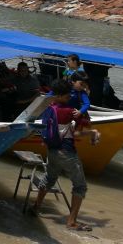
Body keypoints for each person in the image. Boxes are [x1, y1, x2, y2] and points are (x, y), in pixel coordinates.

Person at [28, 79, 97, 231]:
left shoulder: (48, 108)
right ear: (59, 96)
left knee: (50, 178)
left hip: (52, 150)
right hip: (67, 152)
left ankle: (35, 207)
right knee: (80, 186)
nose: (69, 98)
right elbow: (81, 129)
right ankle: (71, 222)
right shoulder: (69, 111)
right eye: (67, 96)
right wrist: (92, 132)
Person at [69, 72, 101, 145]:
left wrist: (80, 111)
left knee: (73, 133)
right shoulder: (65, 89)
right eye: (81, 84)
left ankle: (92, 133)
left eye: (84, 85)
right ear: (73, 82)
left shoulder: (82, 93)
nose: (83, 87)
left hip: (76, 115)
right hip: (66, 113)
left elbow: (87, 104)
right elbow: (53, 93)